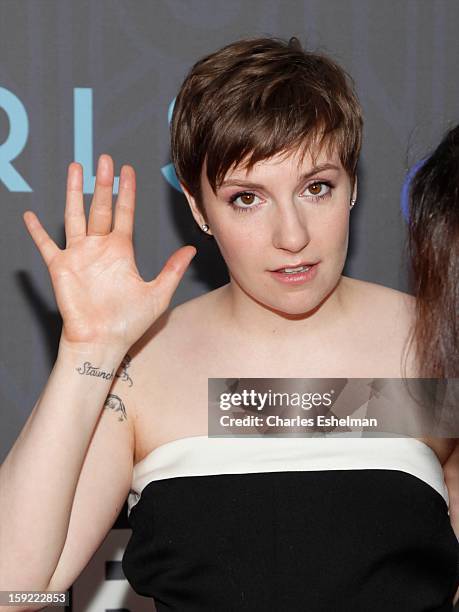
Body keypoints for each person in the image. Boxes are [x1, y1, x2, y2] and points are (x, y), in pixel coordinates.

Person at [0, 36, 457, 611]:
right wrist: (86, 351)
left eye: (317, 187)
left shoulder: (433, 344)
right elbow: (11, 589)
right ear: (198, 209)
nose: (292, 237)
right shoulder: (145, 368)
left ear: (353, 186)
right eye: (247, 198)